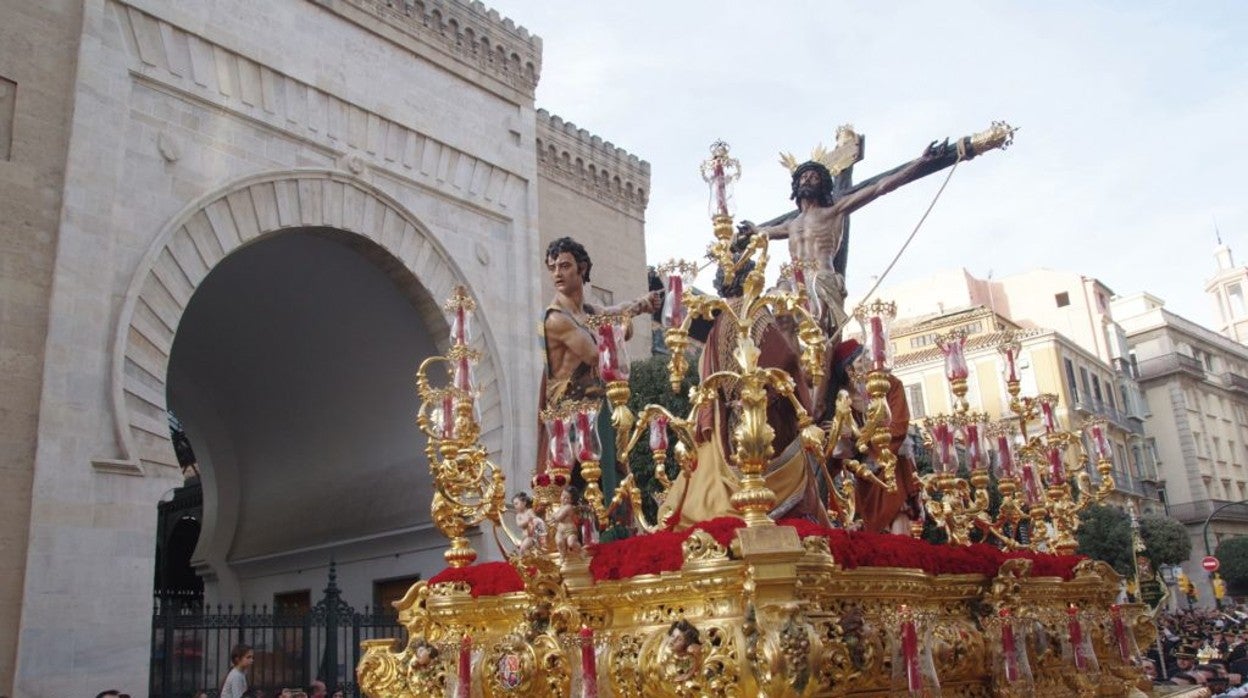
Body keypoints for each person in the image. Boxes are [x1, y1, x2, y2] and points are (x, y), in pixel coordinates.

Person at [657, 260, 831, 530]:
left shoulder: (719, 323)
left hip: (725, 423)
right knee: (792, 468)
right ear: (753, 280)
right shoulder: (757, 315)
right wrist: (796, 390)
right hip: (764, 419)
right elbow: (783, 358)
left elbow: (708, 380)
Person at [537, 237, 661, 494]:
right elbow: (597, 356)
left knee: (613, 488)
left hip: (597, 413)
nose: (557, 274)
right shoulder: (556, 318)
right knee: (576, 496)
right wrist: (622, 325)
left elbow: (617, 309)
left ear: (581, 269)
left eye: (564, 266)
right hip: (569, 419)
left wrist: (640, 304)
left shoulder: (589, 311)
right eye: (553, 268)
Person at [827, 339, 923, 534]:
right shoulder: (842, 400)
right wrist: (840, 435)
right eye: (862, 360)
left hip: (892, 460)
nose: (868, 363)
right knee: (874, 522)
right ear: (848, 368)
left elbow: (899, 424)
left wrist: (860, 437)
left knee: (897, 508)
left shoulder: (889, 385)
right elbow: (842, 452)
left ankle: (904, 554)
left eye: (868, 358)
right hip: (865, 472)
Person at [548, 486, 583, 555]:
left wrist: (553, 516)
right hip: (560, 531)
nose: (563, 499)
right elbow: (555, 518)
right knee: (559, 543)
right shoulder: (561, 506)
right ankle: (563, 557)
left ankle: (581, 551)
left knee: (571, 543)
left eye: (567, 498)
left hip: (570, 530)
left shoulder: (568, 507)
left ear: (572, 500)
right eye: (562, 496)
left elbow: (558, 517)